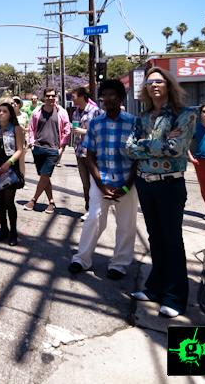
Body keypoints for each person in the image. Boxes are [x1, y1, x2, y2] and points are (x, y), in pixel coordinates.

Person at [125, 67, 196, 318]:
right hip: (146, 184)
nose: (154, 85)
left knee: (172, 240)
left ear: (169, 85)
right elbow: (129, 149)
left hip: (170, 185)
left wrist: (145, 145)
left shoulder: (184, 115)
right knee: (155, 238)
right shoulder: (142, 118)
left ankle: (175, 298)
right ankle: (155, 288)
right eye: (150, 82)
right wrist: (158, 143)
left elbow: (176, 148)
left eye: (159, 81)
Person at [69, 80, 138, 279]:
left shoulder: (134, 122)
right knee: (93, 219)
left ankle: (119, 264)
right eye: (104, 95)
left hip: (126, 182)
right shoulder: (96, 123)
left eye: (112, 94)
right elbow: (90, 155)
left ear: (121, 97)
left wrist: (127, 186)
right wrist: (100, 184)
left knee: (126, 225)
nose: (107, 99)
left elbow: (138, 157)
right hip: (101, 181)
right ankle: (82, 259)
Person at [26, 88, 71, 214]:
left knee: (45, 175)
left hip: (53, 149)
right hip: (38, 148)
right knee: (44, 177)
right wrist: (32, 144)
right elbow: (31, 128)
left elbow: (66, 130)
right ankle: (51, 202)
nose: (50, 98)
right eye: (48, 96)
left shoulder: (61, 112)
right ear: (44, 97)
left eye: (53, 96)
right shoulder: (37, 112)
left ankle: (33, 200)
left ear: (56, 97)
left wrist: (62, 148)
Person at [0, 102, 25, 246]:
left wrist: (8, 163)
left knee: (9, 201)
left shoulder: (16, 129)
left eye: (5, 111)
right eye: (0, 111)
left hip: (10, 169)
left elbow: (20, 150)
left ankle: (13, 232)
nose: (1, 113)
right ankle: (3, 229)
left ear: (10, 114)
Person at [71, 86, 102, 217]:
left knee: (95, 182)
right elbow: (75, 128)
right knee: (85, 183)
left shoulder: (95, 111)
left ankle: (96, 209)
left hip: (92, 152)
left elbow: (101, 131)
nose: (72, 100)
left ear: (82, 97)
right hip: (80, 151)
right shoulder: (75, 112)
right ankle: (88, 208)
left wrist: (83, 131)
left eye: (74, 97)